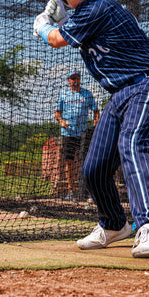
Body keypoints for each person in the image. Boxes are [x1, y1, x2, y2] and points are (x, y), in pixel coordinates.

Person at [33, 0, 149, 258]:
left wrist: (45, 25)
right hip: (120, 93)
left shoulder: (99, 5)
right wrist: (61, 19)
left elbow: (58, 39)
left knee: (134, 144)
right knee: (94, 168)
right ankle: (113, 223)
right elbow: (70, 29)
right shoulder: (84, 13)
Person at [55, 68, 99, 201]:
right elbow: (57, 113)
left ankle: (85, 191)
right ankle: (71, 191)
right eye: (73, 78)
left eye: (77, 78)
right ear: (69, 80)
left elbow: (96, 111)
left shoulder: (87, 94)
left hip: (83, 133)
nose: (75, 80)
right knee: (69, 162)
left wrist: (95, 124)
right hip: (68, 133)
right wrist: (61, 121)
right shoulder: (63, 94)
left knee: (85, 162)